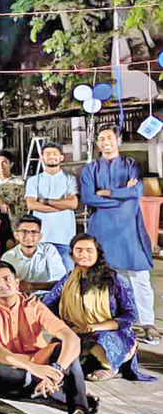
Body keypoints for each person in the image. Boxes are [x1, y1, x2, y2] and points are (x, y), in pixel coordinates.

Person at [0, 261, 94, 414]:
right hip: (8, 368)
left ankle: (79, 413)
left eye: (7, 279)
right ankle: (67, 394)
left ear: (17, 282)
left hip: (40, 365)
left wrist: (56, 371)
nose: (1, 285)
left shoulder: (34, 306)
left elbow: (72, 339)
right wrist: (33, 368)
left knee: (66, 352)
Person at [80, 124, 160, 345]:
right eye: (101, 138)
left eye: (109, 137)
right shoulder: (90, 169)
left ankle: (147, 323)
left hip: (130, 229)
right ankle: (109, 322)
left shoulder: (131, 164)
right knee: (106, 279)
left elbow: (137, 192)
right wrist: (122, 197)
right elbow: (88, 198)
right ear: (97, 143)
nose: (106, 142)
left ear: (118, 140)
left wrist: (109, 193)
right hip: (103, 229)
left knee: (140, 278)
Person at [43, 235, 156, 383]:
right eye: (79, 250)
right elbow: (48, 304)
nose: (84, 255)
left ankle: (111, 366)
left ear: (98, 253)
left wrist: (94, 327)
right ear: (71, 254)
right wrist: (63, 327)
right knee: (55, 353)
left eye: (89, 250)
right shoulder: (69, 279)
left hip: (108, 333)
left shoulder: (115, 279)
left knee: (99, 340)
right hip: (77, 331)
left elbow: (130, 316)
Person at [24, 142, 79, 273]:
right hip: (41, 239)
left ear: (61, 157)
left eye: (55, 154)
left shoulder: (70, 179)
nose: (51, 157)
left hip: (65, 238)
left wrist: (45, 201)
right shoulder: (34, 180)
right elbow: (31, 204)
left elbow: (73, 204)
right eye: (48, 154)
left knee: (67, 278)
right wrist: (61, 205)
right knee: (42, 278)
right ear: (41, 157)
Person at [1, 215, 66, 295]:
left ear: (40, 236)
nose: (28, 236)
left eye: (34, 232)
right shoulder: (8, 257)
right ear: (16, 235)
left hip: (46, 297)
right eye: (24, 232)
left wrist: (31, 286)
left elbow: (61, 281)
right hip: (19, 298)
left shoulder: (49, 251)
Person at [0, 150, 27, 226]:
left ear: (11, 164)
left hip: (13, 221)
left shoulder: (19, 183)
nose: (0, 166)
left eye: (4, 163)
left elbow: (23, 205)